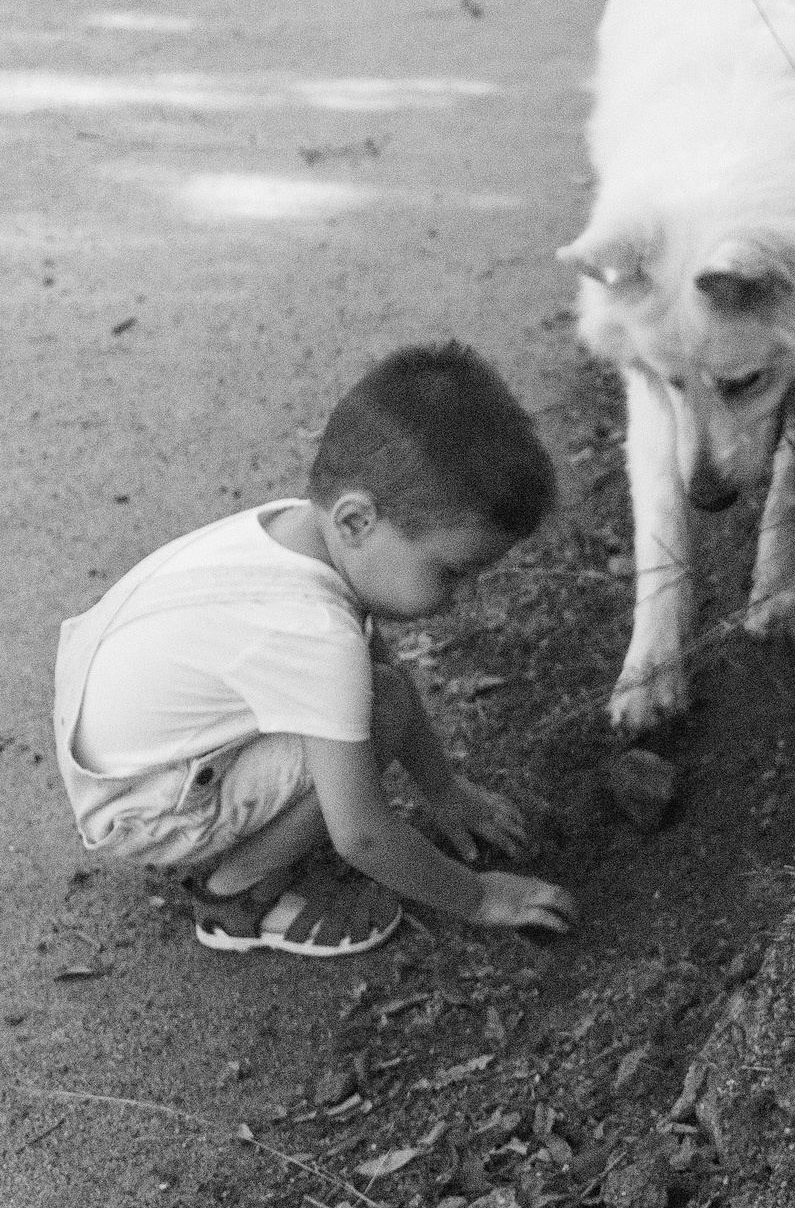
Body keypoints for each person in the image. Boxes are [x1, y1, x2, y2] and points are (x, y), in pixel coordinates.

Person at [52, 342, 578, 956]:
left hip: (125, 757)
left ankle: (246, 840)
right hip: (148, 807)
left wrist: (446, 793)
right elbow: (362, 835)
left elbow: (381, 675)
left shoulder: (291, 529)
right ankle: (241, 893)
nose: (460, 598)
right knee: (374, 713)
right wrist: (483, 897)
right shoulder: (313, 631)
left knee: (377, 694)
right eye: (450, 572)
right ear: (356, 521)